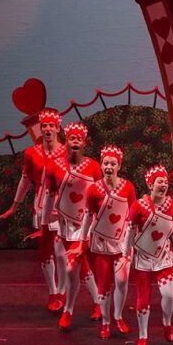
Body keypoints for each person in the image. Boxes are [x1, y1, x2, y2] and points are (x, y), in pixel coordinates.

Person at [0, 107, 68, 313]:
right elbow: (25, 180)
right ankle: (53, 292)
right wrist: (14, 206)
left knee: (61, 253)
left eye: (51, 125)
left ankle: (62, 291)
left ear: (58, 128)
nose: (47, 129)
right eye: (44, 125)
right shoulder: (31, 153)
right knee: (46, 252)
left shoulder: (67, 152)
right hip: (41, 207)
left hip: (63, 208)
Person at [83, 145, 138, 339]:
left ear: (119, 166)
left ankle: (118, 316)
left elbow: (133, 215)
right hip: (101, 245)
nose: (109, 167)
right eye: (105, 163)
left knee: (122, 281)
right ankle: (106, 322)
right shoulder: (93, 189)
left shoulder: (128, 187)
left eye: (113, 164)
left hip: (122, 244)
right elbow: (87, 216)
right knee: (103, 284)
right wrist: (81, 241)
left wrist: (135, 241)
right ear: (101, 165)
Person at [53, 122, 104, 331]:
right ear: (66, 141)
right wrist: (46, 221)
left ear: (84, 143)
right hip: (64, 225)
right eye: (72, 138)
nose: (75, 141)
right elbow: (50, 194)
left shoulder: (93, 166)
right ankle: (98, 302)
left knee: (72, 266)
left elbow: (101, 194)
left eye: (79, 139)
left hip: (85, 225)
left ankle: (68, 310)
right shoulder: (56, 165)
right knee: (82, 268)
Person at [129, 165, 173, 345]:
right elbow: (129, 230)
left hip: (164, 258)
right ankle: (143, 335)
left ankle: (167, 322)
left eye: (166, 182)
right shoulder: (138, 206)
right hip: (142, 259)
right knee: (143, 299)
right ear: (150, 185)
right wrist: (126, 253)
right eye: (160, 181)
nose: (164, 185)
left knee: (169, 295)